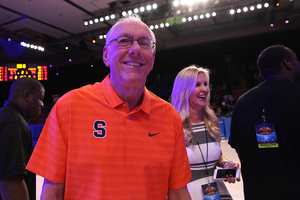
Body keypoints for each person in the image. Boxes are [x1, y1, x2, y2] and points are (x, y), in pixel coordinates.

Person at [26, 14, 192, 200]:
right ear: (106, 55)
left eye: (144, 43)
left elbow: (178, 193)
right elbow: (52, 193)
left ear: (152, 59)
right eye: (124, 41)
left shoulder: (170, 118)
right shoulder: (69, 107)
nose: (135, 49)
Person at [229, 45, 300, 199]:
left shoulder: (242, 103)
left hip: (258, 193)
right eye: (296, 60)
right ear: (288, 63)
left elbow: (239, 149)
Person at [171, 65, 240, 200]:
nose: (205, 89)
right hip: (188, 194)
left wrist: (226, 164)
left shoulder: (212, 121)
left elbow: (218, 156)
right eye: (197, 85)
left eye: (205, 84)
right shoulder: (173, 124)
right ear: (184, 90)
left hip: (218, 193)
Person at [0, 77, 45, 200]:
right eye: (40, 99)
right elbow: (11, 181)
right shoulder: (14, 123)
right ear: (27, 95)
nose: (42, 104)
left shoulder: (5, 116)